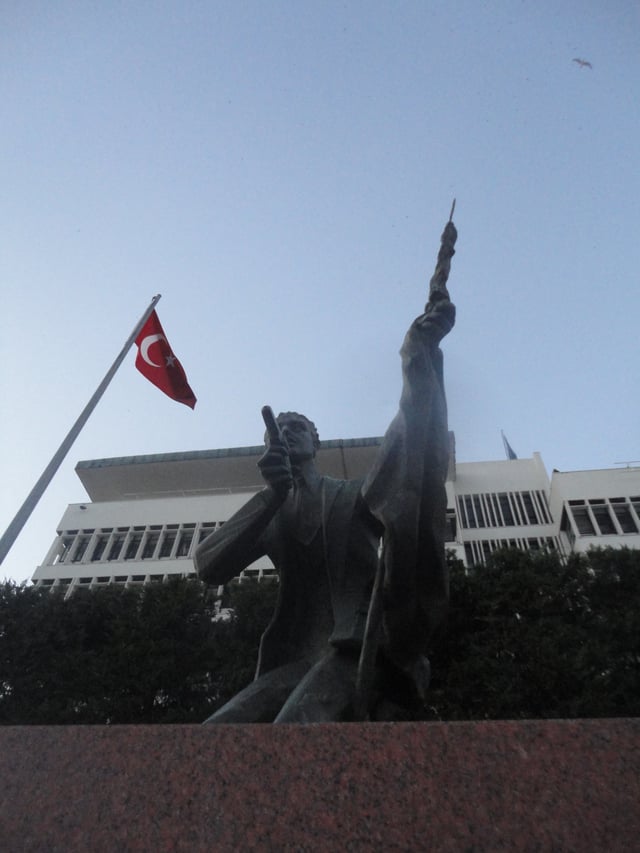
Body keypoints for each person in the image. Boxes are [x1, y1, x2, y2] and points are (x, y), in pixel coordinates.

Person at [195, 220, 457, 723]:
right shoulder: (272, 511)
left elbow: (406, 455)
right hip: (297, 658)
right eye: (281, 429)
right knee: (216, 736)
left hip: (358, 647)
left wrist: (417, 356)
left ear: (316, 441)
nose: (288, 432)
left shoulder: (351, 497)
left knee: (296, 734)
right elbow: (209, 566)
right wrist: (271, 496)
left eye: (299, 428)